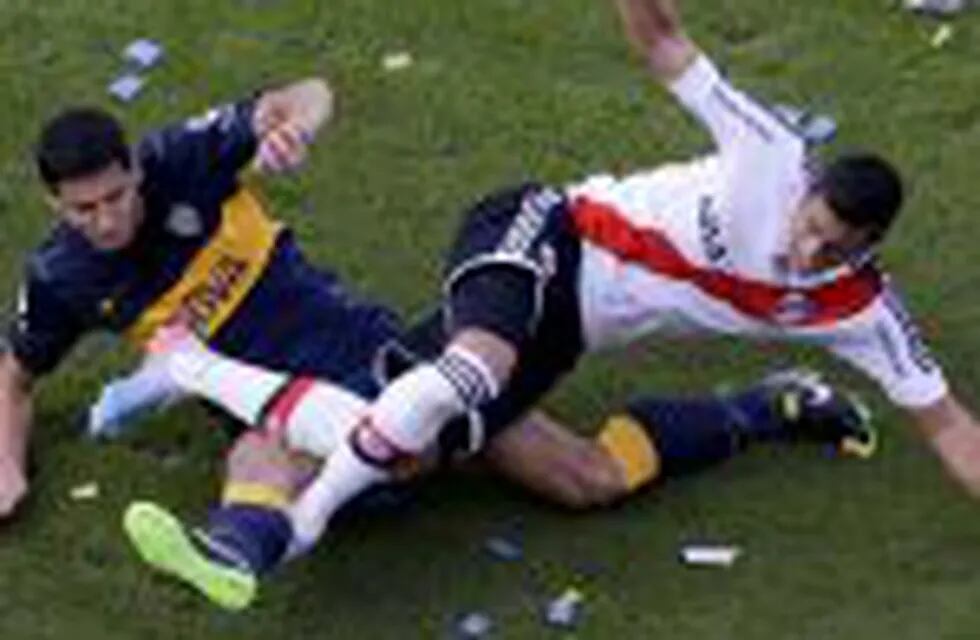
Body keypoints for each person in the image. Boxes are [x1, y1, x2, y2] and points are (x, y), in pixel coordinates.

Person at [287, 0, 980, 546]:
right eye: (808, 227)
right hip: (549, 233)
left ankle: (763, 407)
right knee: (442, 391)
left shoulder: (861, 311)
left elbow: (949, 428)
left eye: (831, 251)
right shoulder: (773, 153)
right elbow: (663, 42)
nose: (804, 254)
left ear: (868, 246)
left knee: (581, 481)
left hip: (571, 327)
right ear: (807, 192)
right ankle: (216, 380)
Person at [0, 75, 406, 517]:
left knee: (455, 427)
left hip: (342, 336)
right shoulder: (61, 277)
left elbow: (311, 93)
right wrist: (6, 463)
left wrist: (296, 128)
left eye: (115, 197)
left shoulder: (183, 158)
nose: (105, 222)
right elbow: (14, 377)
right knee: (314, 469)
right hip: (257, 403)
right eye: (84, 209)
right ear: (52, 202)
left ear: (135, 169)